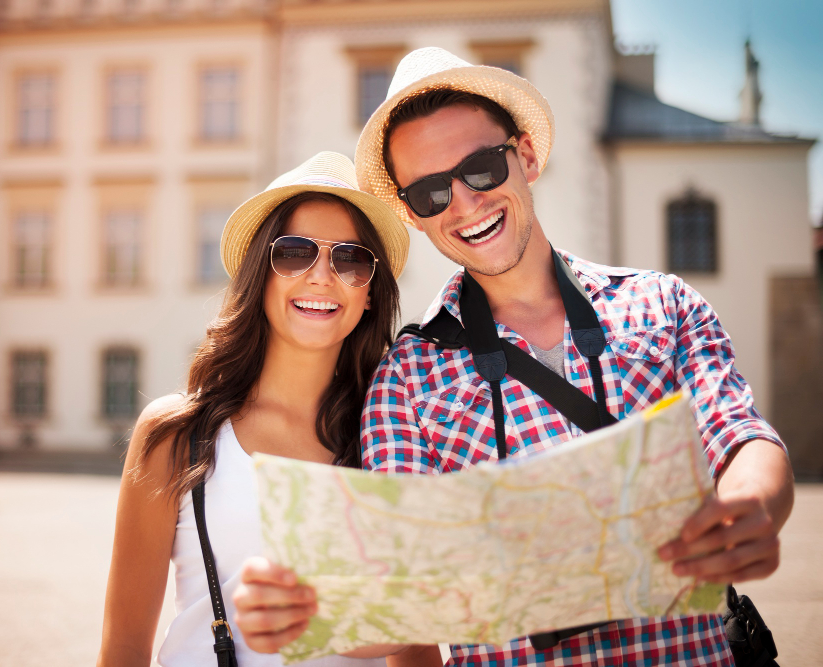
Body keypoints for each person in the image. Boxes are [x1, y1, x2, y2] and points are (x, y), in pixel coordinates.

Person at [235, 47, 795, 666]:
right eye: (429, 192)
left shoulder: (664, 303)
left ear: (525, 155)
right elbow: (404, 592)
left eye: (479, 168)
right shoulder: (406, 378)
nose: (464, 204)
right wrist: (314, 610)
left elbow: (740, 437)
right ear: (411, 215)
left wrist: (752, 506)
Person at [97, 151, 439, 667]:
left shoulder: (391, 442)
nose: (322, 276)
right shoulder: (176, 435)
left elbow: (412, 644)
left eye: (350, 259)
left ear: (369, 292)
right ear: (262, 276)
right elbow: (123, 649)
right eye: (295, 253)